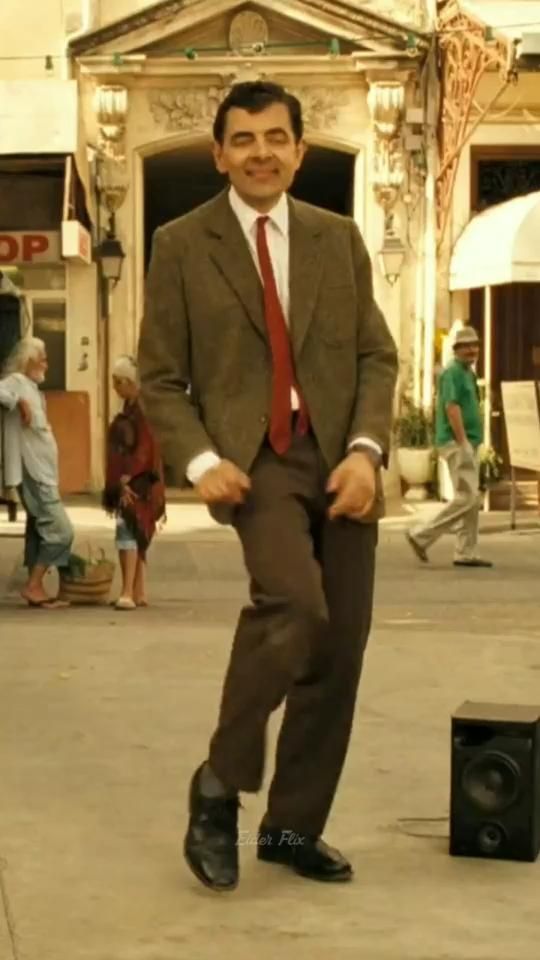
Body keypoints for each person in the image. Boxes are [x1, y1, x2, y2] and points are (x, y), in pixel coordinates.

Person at [138, 81, 398, 891]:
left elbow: (374, 356)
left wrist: (366, 450)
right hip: (260, 459)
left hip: (342, 456)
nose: (261, 152)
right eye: (243, 139)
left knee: (340, 647)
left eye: (276, 137)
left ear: (299, 150)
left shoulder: (338, 238)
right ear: (219, 154)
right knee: (296, 604)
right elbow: (160, 377)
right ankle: (219, 784)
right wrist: (201, 461)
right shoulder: (181, 244)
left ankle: (291, 831)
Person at [406, 325, 492, 568]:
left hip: (469, 443)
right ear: (456, 349)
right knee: (468, 498)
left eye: (475, 345)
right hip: (456, 443)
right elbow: (451, 408)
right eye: (466, 346)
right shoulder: (452, 373)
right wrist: (463, 442)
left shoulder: (468, 373)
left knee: (470, 499)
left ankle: (465, 552)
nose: (472, 350)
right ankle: (420, 535)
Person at [0, 337, 73, 607]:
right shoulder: (17, 383)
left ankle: (36, 587)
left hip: (44, 473)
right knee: (62, 532)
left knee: (37, 530)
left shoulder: (32, 388)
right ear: (28, 361)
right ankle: (33, 585)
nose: (47, 364)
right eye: (42, 358)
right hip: (34, 474)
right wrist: (17, 402)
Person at [103, 355, 166, 610]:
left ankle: (127, 592)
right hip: (142, 480)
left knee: (127, 531)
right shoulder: (134, 407)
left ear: (129, 382)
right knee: (137, 531)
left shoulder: (141, 409)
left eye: (117, 382)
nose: (115, 387)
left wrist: (126, 477)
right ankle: (139, 591)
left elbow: (144, 447)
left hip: (138, 481)